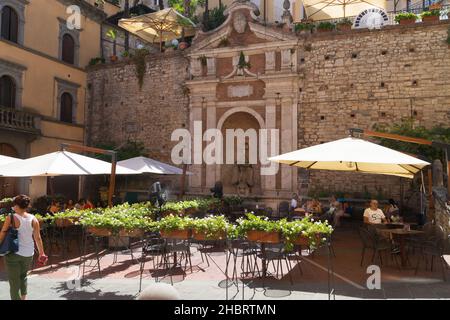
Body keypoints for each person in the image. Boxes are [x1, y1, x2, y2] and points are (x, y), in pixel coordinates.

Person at [0, 195, 47, 300]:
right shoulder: (33, 219)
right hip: (28, 253)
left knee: (14, 281)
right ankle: (23, 298)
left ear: (16, 205)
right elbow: (38, 238)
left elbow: (3, 233)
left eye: (14, 204)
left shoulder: (11, 217)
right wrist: (41, 253)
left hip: (13, 253)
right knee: (23, 277)